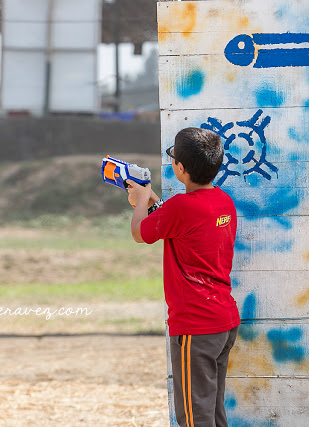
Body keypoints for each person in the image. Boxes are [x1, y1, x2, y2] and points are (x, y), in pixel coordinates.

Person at [127, 127, 240, 427]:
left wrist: (139, 201)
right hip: (223, 322)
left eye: (173, 156)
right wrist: (149, 199)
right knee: (213, 412)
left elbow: (140, 233)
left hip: (196, 327)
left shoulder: (180, 207)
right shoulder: (224, 202)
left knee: (194, 417)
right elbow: (179, 223)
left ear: (180, 168)